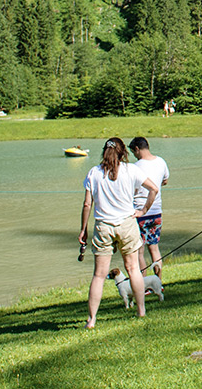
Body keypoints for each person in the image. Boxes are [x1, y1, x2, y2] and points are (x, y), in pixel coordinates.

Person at [80, 137, 160, 328]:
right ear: (123, 152)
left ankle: (92, 319)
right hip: (127, 224)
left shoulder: (94, 172)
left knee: (99, 275)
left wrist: (83, 230)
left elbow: (87, 204)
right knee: (133, 269)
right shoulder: (131, 170)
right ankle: (141, 310)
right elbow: (154, 189)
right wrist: (143, 211)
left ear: (104, 152)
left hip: (103, 226)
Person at [128, 137, 170, 279]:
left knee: (139, 252)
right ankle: (158, 282)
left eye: (134, 152)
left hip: (139, 212)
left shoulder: (135, 167)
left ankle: (142, 283)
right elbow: (165, 180)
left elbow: (131, 188)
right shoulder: (161, 162)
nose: (135, 155)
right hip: (156, 211)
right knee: (154, 249)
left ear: (137, 149)